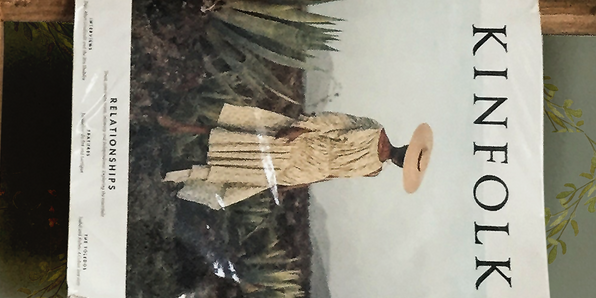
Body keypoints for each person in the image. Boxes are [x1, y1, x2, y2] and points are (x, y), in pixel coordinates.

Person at [158, 106, 432, 208]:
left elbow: (332, 175)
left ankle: (178, 174)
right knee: (240, 140)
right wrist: (300, 129)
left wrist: (296, 186)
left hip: (305, 171)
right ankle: (180, 127)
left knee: (242, 172)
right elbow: (332, 121)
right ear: (406, 147)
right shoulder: (375, 129)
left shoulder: (374, 170)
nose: (399, 159)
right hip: (303, 145)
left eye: (403, 163)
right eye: (405, 155)